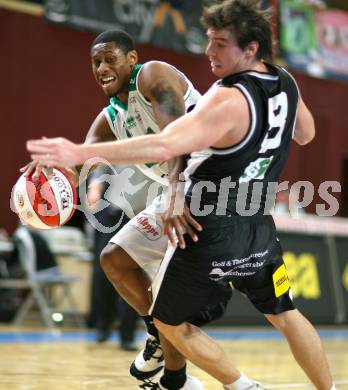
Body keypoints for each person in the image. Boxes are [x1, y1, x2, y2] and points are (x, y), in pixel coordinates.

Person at [26, 1, 336, 389]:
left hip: (199, 210)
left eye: (219, 44)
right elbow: (305, 133)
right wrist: (57, 169)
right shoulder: (285, 82)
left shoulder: (223, 95)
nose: (208, 52)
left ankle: (232, 384)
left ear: (250, 48)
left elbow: (166, 146)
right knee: (284, 312)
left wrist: (76, 152)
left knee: (169, 318)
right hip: (255, 217)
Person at [24, 29, 212, 389]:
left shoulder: (154, 75)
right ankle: (158, 340)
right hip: (178, 191)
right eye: (96, 62)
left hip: (211, 183)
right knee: (115, 259)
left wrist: (175, 191)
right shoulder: (110, 117)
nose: (102, 68)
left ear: (132, 59)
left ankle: (179, 378)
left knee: (173, 296)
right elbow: (82, 161)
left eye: (110, 59)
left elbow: (177, 141)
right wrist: (51, 172)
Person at [86, 166, 139, 350]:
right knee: (103, 272)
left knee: (136, 273)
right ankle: (103, 324)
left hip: (143, 213)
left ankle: (128, 334)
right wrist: (95, 186)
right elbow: (102, 160)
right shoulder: (118, 137)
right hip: (112, 213)